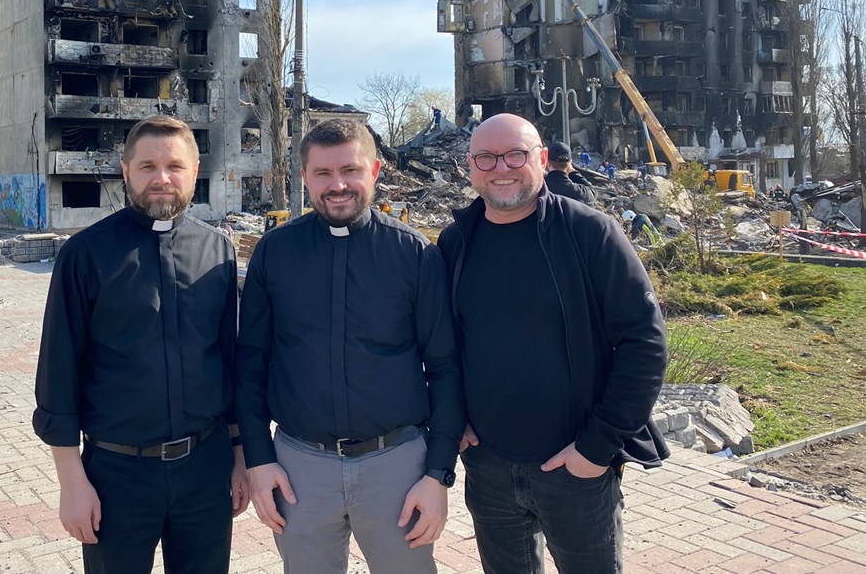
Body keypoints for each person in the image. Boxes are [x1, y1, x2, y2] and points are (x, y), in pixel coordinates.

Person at [438, 113, 668, 574]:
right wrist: (452, 420)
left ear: (542, 160)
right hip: (488, 466)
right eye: (486, 157)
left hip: (575, 466)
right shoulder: (455, 242)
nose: (500, 167)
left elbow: (645, 341)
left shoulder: (590, 233)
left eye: (516, 155)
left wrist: (596, 448)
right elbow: (440, 345)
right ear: (470, 166)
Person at [237, 118, 463, 573]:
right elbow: (250, 364)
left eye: (350, 171)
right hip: (300, 467)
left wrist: (437, 475)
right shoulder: (274, 253)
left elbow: (444, 368)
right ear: (304, 176)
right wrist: (258, 460)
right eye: (322, 173)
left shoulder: (415, 255)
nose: (337, 185)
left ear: (375, 170)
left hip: (397, 466)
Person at [34, 115, 248, 574]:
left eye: (175, 166)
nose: (162, 179)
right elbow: (59, 371)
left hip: (205, 468)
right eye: (148, 166)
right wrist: (71, 482)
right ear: (125, 169)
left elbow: (230, 362)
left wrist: (238, 457)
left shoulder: (218, 252)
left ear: (196, 171)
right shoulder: (85, 255)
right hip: (117, 473)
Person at [543, 141, 596, 206]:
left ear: (547, 163)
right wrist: (573, 172)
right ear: (570, 163)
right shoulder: (579, 192)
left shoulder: (540, 188)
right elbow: (593, 192)